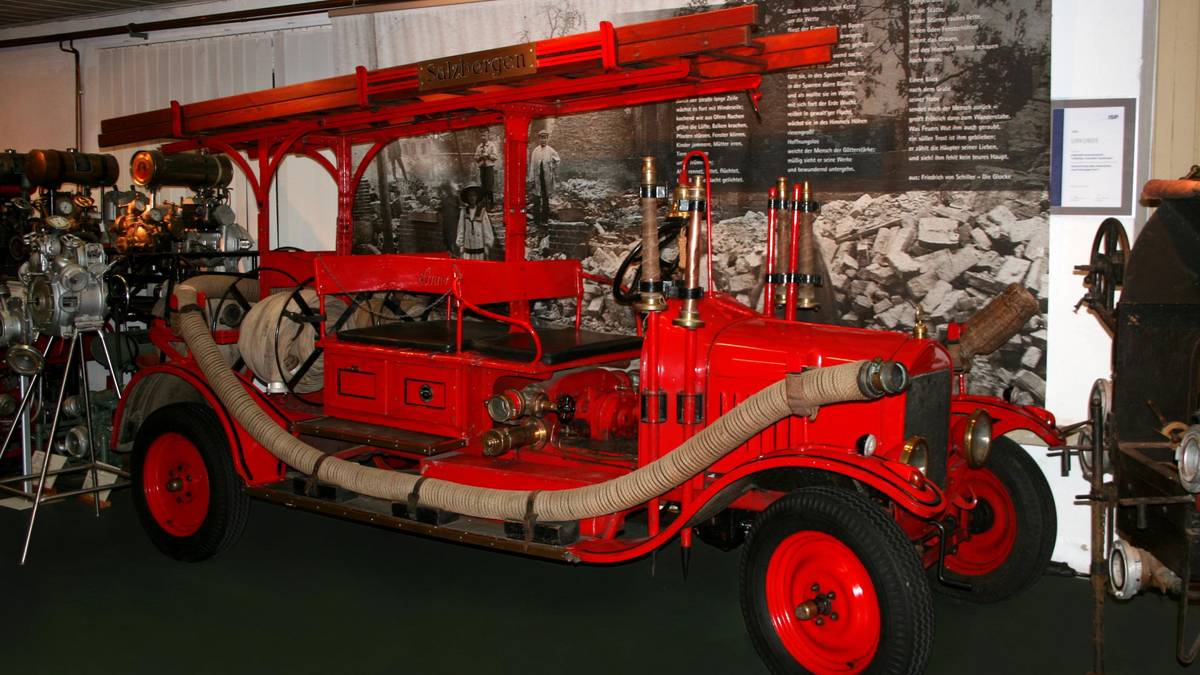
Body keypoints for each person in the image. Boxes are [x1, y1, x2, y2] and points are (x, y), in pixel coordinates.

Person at [526, 129, 560, 225]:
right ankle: (536, 220)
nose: (543, 140)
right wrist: (531, 178)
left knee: (545, 199)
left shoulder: (550, 150)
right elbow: (532, 165)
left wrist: (552, 167)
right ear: (539, 139)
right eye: (541, 138)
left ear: (547, 139)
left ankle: (545, 220)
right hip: (537, 179)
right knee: (536, 199)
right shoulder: (535, 151)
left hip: (546, 179)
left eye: (545, 138)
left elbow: (557, 160)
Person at [455, 185, 494, 260]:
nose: (472, 198)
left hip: (479, 246)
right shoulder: (464, 212)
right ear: (467, 198)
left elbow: (486, 229)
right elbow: (461, 229)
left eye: (474, 195)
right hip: (467, 247)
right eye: (470, 195)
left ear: (477, 197)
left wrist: (487, 245)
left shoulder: (482, 212)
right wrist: (461, 245)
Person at [473, 129, 499, 208]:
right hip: (482, 168)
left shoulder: (491, 145)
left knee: (489, 186)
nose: (483, 137)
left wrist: (488, 156)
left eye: (484, 135)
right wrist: (480, 156)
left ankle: (491, 203)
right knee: (483, 185)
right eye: (482, 136)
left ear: (488, 136)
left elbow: (495, 157)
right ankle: (484, 203)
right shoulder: (479, 146)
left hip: (489, 168)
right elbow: (475, 157)